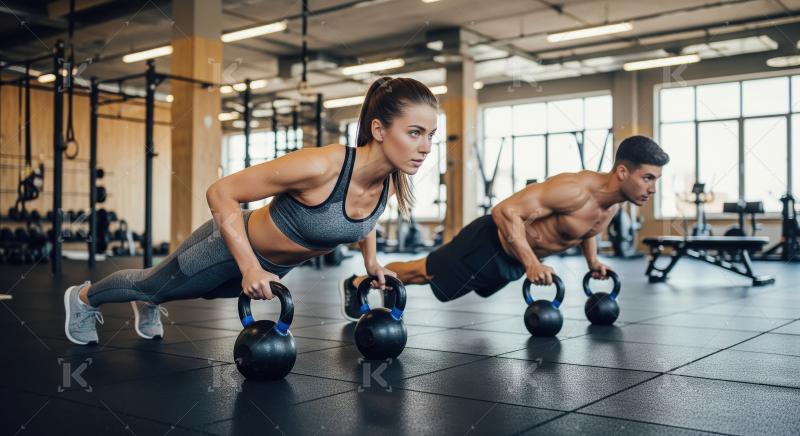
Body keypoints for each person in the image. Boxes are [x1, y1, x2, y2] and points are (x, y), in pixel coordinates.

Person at [64, 76, 439, 345]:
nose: (425, 147)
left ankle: (152, 300)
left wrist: (371, 263)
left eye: (431, 136)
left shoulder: (388, 181)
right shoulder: (321, 165)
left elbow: (361, 219)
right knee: (153, 282)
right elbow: (221, 191)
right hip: (228, 247)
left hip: (269, 267)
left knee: (196, 292)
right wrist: (248, 266)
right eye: (415, 132)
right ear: (378, 129)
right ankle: (83, 299)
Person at [340, 135, 669, 320]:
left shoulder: (612, 204)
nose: (652, 188)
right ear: (624, 172)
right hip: (489, 244)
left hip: (513, 262)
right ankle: (357, 282)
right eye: (648, 178)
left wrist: (592, 262)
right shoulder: (575, 190)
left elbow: (588, 231)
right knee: (421, 273)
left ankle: (364, 281)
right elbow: (505, 210)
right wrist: (531, 263)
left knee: (427, 277)